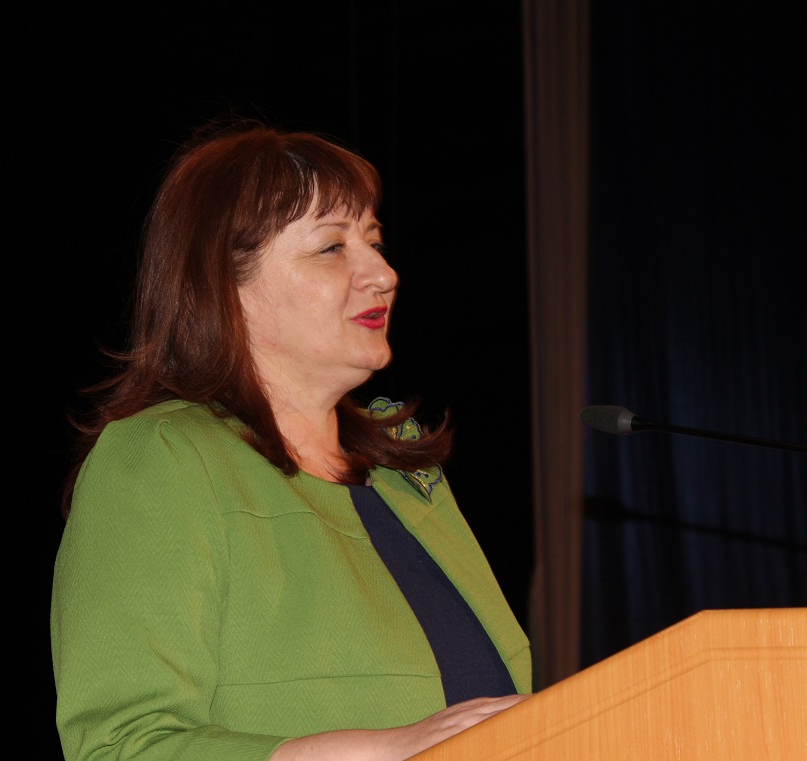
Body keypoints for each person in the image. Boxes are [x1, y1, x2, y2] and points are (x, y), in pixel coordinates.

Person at [50, 120, 533, 761]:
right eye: (332, 247)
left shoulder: (405, 473)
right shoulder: (161, 460)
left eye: (374, 241)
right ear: (226, 285)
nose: (383, 273)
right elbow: (121, 747)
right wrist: (379, 752)